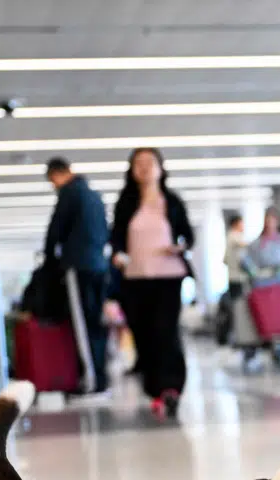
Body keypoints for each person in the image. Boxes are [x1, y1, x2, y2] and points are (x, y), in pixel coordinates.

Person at [110, 147, 195, 417]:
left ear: (160, 168)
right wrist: (117, 255)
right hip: (135, 277)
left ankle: (171, 388)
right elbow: (116, 238)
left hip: (168, 275)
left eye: (150, 163)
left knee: (165, 331)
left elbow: (187, 235)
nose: (144, 168)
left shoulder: (172, 201)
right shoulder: (126, 203)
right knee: (143, 333)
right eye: (138, 164)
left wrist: (179, 246)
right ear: (132, 170)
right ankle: (154, 387)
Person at [44, 158, 112, 393]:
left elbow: (55, 230)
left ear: (58, 174)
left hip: (78, 266)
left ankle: (92, 381)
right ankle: (100, 376)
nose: (54, 185)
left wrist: (49, 262)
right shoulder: (94, 196)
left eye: (53, 180)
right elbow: (106, 232)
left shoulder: (69, 194)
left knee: (82, 325)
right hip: (98, 266)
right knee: (95, 322)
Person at [247, 207, 280, 284]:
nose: (270, 224)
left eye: (273, 221)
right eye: (268, 221)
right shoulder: (257, 243)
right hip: (261, 283)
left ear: (278, 222)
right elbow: (250, 262)